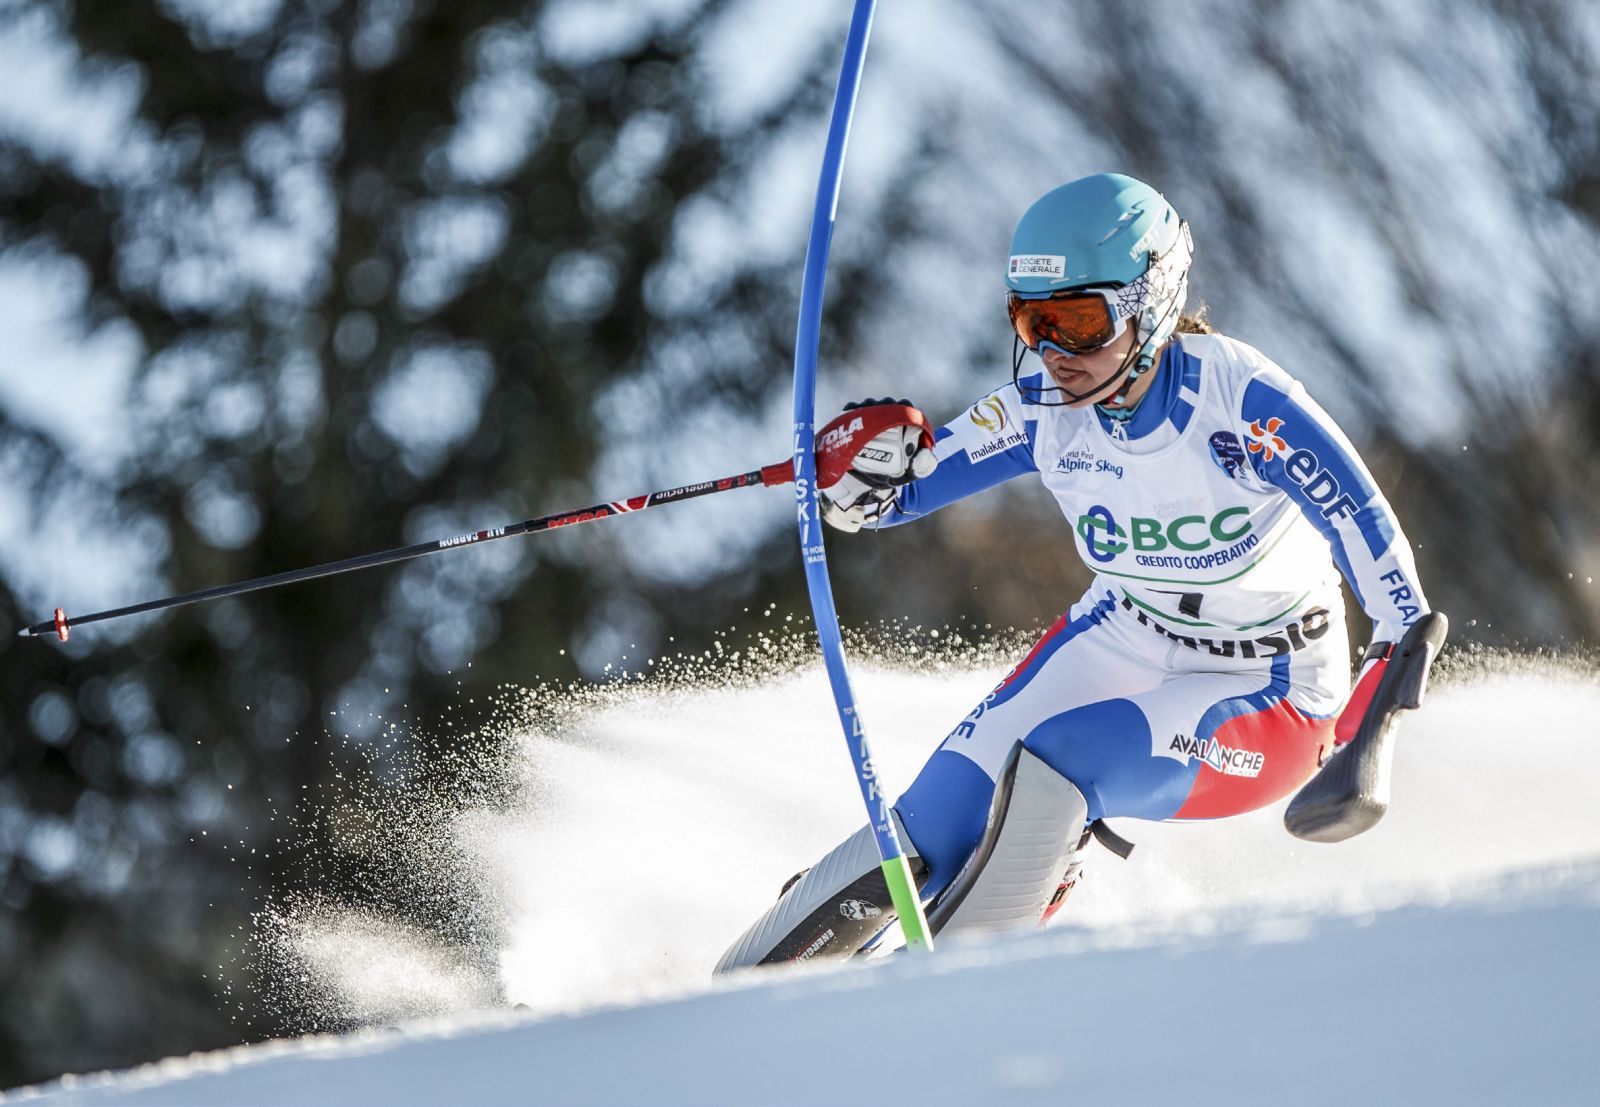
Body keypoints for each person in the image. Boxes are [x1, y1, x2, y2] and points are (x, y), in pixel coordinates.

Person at [715, 172, 1434, 971]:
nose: (1054, 352)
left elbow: (1372, 541)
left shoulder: (1241, 401)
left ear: (1150, 300)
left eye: (1081, 321)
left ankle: (935, 994)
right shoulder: (1040, 406)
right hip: (1124, 633)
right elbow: (900, 491)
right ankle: (737, 993)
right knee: (932, 820)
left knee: (1061, 763)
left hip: (1274, 684)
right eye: (1033, 320)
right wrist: (857, 468)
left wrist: (1376, 715)